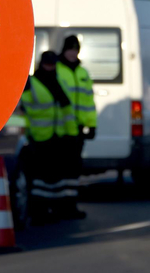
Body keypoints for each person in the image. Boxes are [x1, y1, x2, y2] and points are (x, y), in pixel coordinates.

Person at [20, 51, 78, 225]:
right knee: (40, 179)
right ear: (41, 64)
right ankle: (39, 210)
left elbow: (66, 111)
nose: (50, 67)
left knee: (54, 177)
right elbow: (23, 110)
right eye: (47, 64)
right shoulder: (31, 83)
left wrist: (71, 134)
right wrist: (26, 135)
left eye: (53, 64)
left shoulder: (58, 81)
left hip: (57, 137)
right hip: (38, 139)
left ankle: (54, 208)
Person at [55, 36, 97, 219]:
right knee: (59, 170)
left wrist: (91, 125)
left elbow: (89, 102)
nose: (72, 52)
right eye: (69, 49)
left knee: (73, 170)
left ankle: (70, 205)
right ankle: (57, 205)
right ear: (64, 50)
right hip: (59, 129)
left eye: (75, 49)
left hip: (77, 130)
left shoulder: (83, 73)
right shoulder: (57, 70)